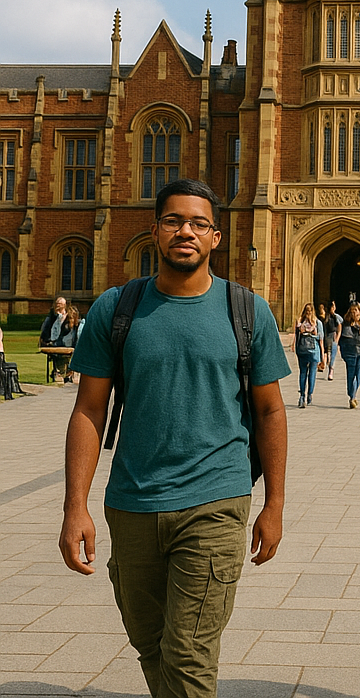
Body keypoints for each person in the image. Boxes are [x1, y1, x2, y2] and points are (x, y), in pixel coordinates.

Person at [59, 177, 290, 698]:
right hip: (132, 502)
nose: (186, 231)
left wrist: (273, 504)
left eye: (199, 223)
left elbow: (271, 410)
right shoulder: (116, 309)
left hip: (216, 500)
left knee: (187, 656)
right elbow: (88, 410)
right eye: (174, 220)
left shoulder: (248, 311)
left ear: (215, 237)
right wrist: (76, 505)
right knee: (153, 645)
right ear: (155, 230)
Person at [293, 302, 322, 407]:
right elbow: (320, 339)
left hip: (302, 349)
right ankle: (308, 394)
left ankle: (302, 395)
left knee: (303, 373)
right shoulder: (317, 323)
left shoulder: (300, 322)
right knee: (311, 373)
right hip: (312, 351)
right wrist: (322, 356)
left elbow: (296, 337)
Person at [52, 305, 84, 382]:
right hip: (63, 346)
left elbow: (79, 340)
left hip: (75, 348)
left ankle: (70, 372)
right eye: (69, 318)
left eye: (72, 318)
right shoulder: (64, 326)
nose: (70, 321)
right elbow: (57, 335)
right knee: (58, 355)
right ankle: (60, 372)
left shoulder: (80, 326)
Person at [324, 300, 342, 381]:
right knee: (328, 355)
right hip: (326, 337)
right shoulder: (325, 316)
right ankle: (327, 366)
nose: (334, 308)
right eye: (333, 306)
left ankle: (331, 371)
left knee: (332, 355)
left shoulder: (336, 317)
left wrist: (337, 338)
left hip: (333, 336)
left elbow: (340, 327)